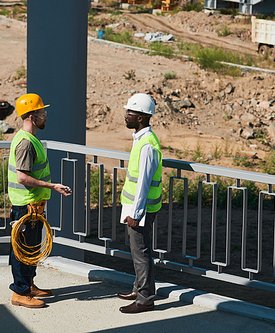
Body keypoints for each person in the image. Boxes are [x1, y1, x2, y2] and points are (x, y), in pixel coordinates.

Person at [7, 93, 72, 308]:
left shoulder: (30, 139)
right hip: (25, 205)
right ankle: (20, 292)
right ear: (32, 116)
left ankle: (29, 283)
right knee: (23, 250)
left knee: (32, 247)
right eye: (43, 112)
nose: (46, 115)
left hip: (33, 204)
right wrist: (52, 186)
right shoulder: (25, 143)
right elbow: (22, 177)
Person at [118, 93, 162, 314]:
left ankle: (145, 299)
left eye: (130, 113)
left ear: (141, 118)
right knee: (138, 252)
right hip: (136, 208)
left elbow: (143, 183)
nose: (126, 116)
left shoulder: (147, 145)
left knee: (141, 253)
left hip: (140, 211)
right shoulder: (141, 139)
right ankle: (138, 289)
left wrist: (136, 213)